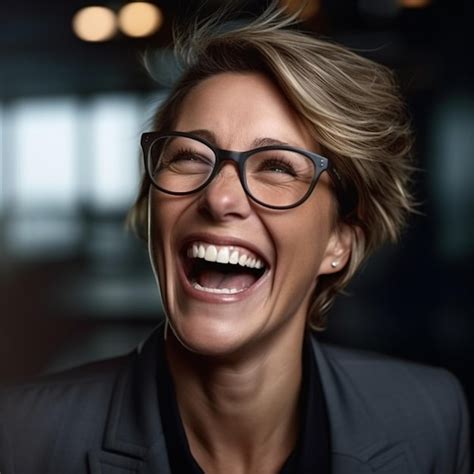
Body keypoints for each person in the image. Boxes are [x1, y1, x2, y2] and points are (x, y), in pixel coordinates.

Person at [0, 5, 470, 474]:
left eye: (278, 166)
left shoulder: (432, 417)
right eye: (189, 157)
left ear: (339, 243)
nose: (220, 197)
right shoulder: (24, 438)